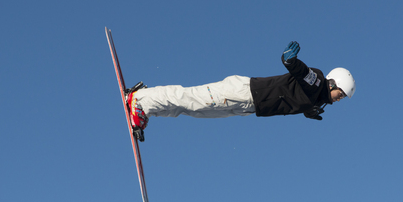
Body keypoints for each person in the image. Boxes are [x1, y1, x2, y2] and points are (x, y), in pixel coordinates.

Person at [126, 41, 356, 141]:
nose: (340, 99)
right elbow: (301, 72)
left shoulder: (316, 96)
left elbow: (300, 97)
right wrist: (290, 60)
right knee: (192, 99)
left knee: (193, 110)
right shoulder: (316, 81)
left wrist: (309, 110)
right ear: (333, 83)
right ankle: (141, 101)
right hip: (244, 93)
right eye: (341, 93)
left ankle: (148, 107)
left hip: (248, 105)